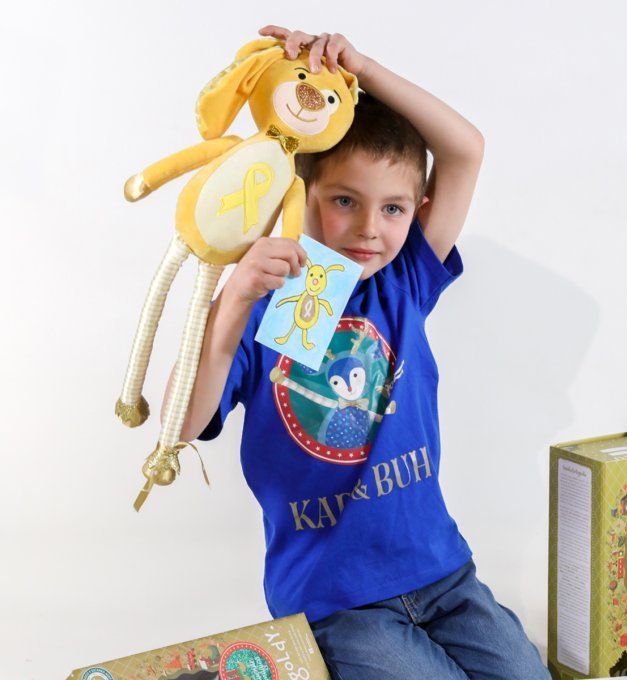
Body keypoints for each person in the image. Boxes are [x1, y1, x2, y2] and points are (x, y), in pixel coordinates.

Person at [161, 25, 549, 679]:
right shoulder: (272, 301)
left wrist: (363, 70)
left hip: (442, 574)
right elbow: (182, 423)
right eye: (345, 201)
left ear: (417, 209)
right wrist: (230, 305)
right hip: (337, 599)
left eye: (394, 209)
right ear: (299, 191)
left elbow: (465, 150)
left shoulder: (403, 282)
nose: (371, 228)